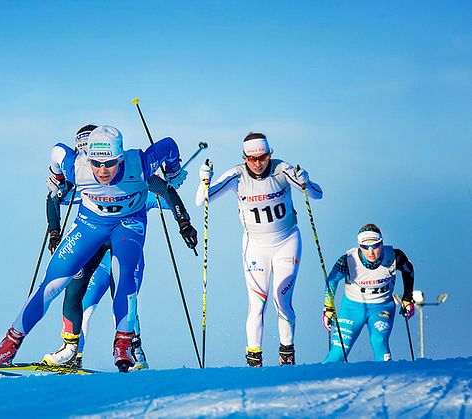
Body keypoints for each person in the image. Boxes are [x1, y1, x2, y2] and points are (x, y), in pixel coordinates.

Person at [0, 125, 187, 374]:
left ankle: (124, 343)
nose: (102, 170)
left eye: (110, 163)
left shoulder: (140, 163)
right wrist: (56, 179)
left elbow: (170, 145)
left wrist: (173, 172)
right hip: (90, 225)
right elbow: (56, 152)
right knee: (51, 284)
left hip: (127, 225)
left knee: (124, 274)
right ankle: (7, 347)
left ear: (121, 157)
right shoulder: (77, 167)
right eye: (96, 163)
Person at [42, 125, 198, 370]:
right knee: (80, 300)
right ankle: (71, 353)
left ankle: (135, 353)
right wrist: (54, 231)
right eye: (83, 154)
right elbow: (52, 197)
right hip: (91, 253)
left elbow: (166, 194)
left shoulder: (132, 177)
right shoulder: (78, 180)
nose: (95, 167)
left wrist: (184, 217)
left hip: (121, 252)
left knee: (124, 299)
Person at [196, 132, 322, 367]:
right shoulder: (236, 175)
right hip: (255, 246)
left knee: (280, 298)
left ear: (269, 154)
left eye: (262, 157)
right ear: (245, 158)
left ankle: (287, 353)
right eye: (251, 159)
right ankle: (254, 358)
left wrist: (306, 180)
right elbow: (201, 200)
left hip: (287, 242)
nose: (257, 163)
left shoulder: (282, 170)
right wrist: (204, 180)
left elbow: (316, 194)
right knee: (257, 303)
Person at [322, 224, 416, 362]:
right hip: (352, 308)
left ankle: (388, 381)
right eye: (365, 247)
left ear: (381, 243)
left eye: (375, 246)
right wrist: (328, 307)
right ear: (360, 246)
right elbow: (331, 281)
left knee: (379, 342)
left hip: (381, 307)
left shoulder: (395, 256)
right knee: (337, 353)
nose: (370, 252)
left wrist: (408, 298)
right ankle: (322, 381)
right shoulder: (347, 260)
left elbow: (409, 271)